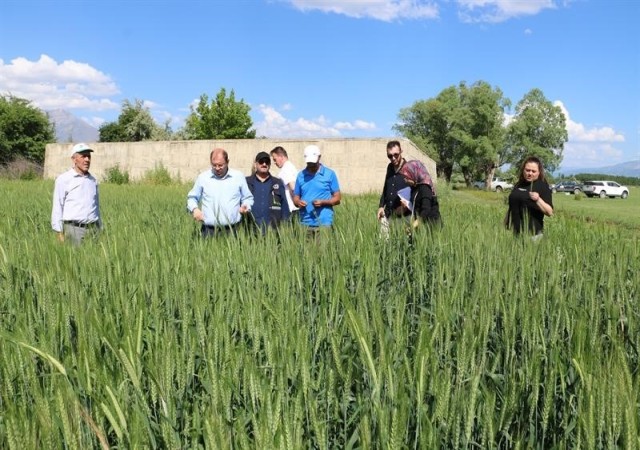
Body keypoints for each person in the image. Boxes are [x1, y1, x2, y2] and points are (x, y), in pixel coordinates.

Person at [187, 148, 254, 237]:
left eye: (220, 165)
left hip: (232, 231)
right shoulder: (203, 178)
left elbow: (247, 197)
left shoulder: (238, 177)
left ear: (227, 162)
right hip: (208, 231)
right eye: (214, 165)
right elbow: (192, 198)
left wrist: (246, 205)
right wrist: (195, 209)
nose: (217, 168)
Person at [51, 142, 102, 245]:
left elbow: (96, 205)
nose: (87, 160)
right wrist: (59, 232)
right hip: (74, 230)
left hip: (93, 229)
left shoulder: (93, 180)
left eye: (89, 156)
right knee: (75, 259)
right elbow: (58, 206)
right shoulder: (64, 179)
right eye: (83, 156)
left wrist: (100, 227)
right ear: (74, 159)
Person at [293, 144, 341, 232]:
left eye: (313, 163)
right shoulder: (300, 175)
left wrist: (323, 202)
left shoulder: (330, 174)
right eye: (309, 163)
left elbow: (337, 198)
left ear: (319, 157)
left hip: (324, 223)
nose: (311, 165)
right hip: (305, 222)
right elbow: (296, 197)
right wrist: (298, 202)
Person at [505, 156, 554, 239]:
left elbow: (550, 212)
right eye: (527, 170)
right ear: (523, 170)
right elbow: (512, 207)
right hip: (515, 234)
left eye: (533, 171)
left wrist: (538, 199)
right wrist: (506, 223)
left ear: (539, 172)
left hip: (533, 236)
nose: (530, 173)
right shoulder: (519, 184)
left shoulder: (542, 186)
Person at [245, 151, 290, 235]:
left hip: (273, 232)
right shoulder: (246, 182)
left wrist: (285, 227)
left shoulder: (278, 182)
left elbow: (285, 207)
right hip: (251, 231)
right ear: (256, 164)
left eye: (267, 162)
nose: (264, 164)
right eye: (261, 161)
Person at [377, 140, 411, 237]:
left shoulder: (409, 168)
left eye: (396, 154)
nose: (393, 158)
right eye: (390, 156)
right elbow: (386, 187)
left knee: (404, 246)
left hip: (404, 217)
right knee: (383, 245)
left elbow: (416, 191)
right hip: (387, 214)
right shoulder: (390, 167)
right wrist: (381, 206)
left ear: (401, 151)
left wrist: (406, 206)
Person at [398, 159, 442, 229]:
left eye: (407, 177)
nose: (405, 180)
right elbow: (416, 206)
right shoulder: (414, 187)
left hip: (431, 226)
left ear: (414, 174)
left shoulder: (425, 188)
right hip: (420, 225)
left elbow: (426, 210)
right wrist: (406, 206)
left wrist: (412, 227)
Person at [270, 146, 299, 216]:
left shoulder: (286, 169)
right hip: (294, 208)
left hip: (291, 208)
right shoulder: (291, 166)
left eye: (275, 159)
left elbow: (293, 187)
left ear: (281, 156)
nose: (274, 162)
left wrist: (296, 203)